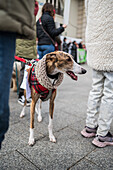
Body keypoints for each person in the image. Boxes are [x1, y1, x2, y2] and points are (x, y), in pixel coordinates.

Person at [0, 0, 36, 149]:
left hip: (17, 46)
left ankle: (21, 93)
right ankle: (22, 94)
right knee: (23, 76)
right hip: (9, 22)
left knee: (19, 75)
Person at [81, 0, 113, 147]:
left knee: (95, 88)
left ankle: (90, 126)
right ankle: (103, 134)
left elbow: (87, 13)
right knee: (109, 93)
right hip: (110, 42)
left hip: (95, 43)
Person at [16, 1, 39, 106]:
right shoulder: (24, 10)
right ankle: (22, 95)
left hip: (30, 46)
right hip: (24, 46)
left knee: (28, 71)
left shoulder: (31, 15)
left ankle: (26, 94)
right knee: (24, 71)